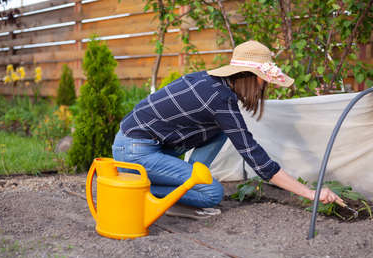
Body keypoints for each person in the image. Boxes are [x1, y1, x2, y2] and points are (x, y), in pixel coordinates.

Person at [112, 40, 344, 219]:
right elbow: (254, 155)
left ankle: (181, 185)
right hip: (135, 151)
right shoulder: (220, 99)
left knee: (221, 130)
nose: (265, 87)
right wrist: (311, 194)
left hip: (143, 143)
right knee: (211, 194)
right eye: (264, 79)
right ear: (252, 77)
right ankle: (143, 190)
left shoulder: (210, 82)